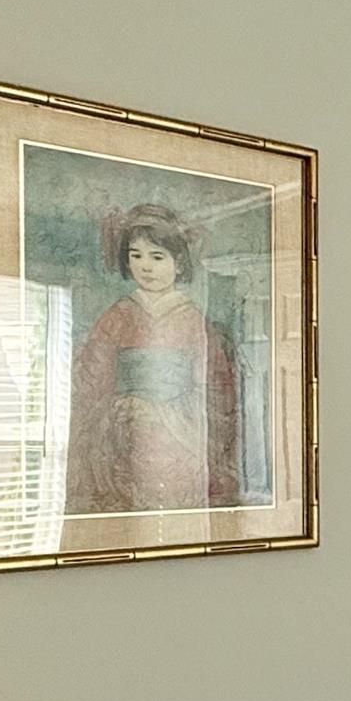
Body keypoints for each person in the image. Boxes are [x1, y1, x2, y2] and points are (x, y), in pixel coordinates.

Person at [66, 202, 242, 513]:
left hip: (181, 442)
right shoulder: (116, 317)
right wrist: (122, 408)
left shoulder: (195, 322)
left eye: (157, 257)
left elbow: (218, 393)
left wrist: (166, 413)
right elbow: (90, 385)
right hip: (124, 439)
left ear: (179, 263)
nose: (145, 266)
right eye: (136, 256)